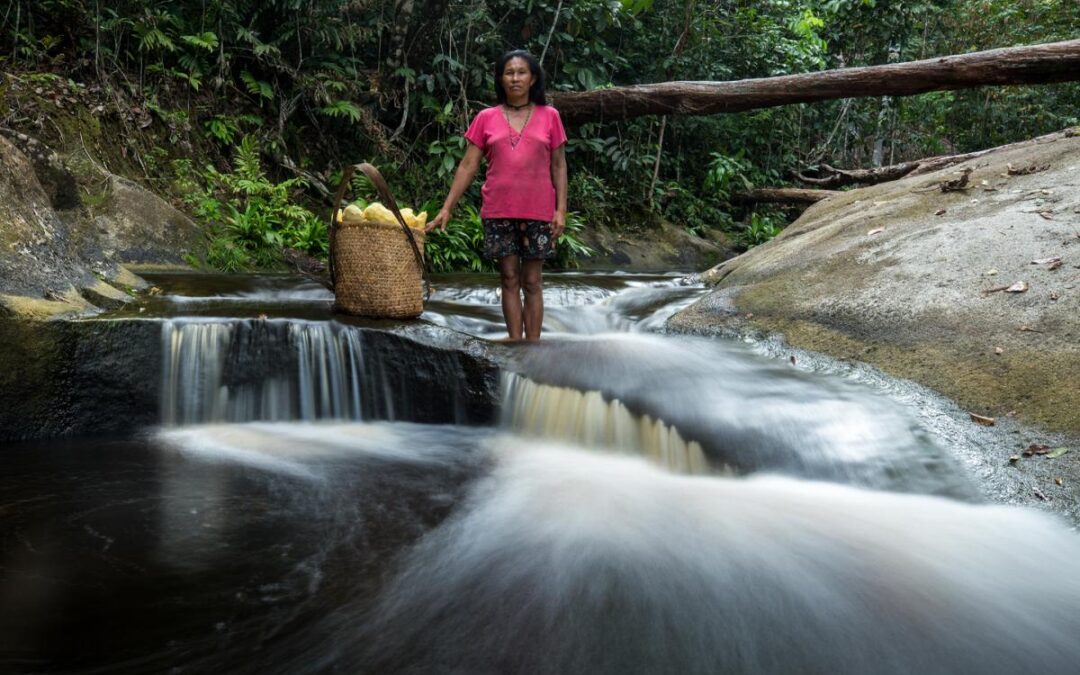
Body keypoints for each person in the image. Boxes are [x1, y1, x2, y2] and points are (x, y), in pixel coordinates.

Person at [427, 49, 568, 342]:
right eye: (509, 73)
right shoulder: (486, 117)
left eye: (521, 72)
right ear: (501, 79)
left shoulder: (550, 116)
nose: (515, 78)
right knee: (509, 279)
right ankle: (516, 344)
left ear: (533, 79)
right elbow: (468, 165)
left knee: (532, 282)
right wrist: (447, 207)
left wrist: (561, 210)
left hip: (538, 211)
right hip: (499, 210)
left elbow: (558, 165)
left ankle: (533, 346)